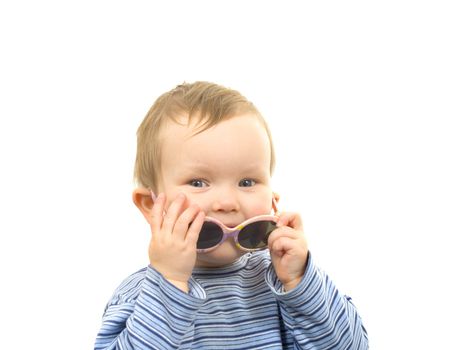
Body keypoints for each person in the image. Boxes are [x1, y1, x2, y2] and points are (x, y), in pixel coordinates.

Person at [94, 82, 368, 349]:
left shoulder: (281, 280)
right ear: (151, 206)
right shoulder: (139, 294)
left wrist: (300, 281)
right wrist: (171, 283)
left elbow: (353, 345)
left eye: (247, 182)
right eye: (198, 182)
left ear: (273, 199)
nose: (227, 203)